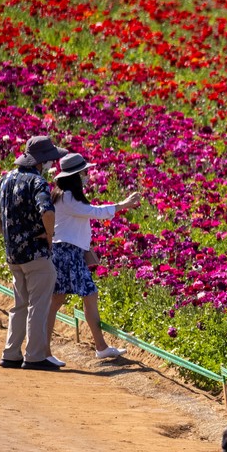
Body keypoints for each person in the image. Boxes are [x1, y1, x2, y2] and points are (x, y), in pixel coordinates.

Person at [0, 135, 66, 370]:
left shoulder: (7, 179)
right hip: (36, 253)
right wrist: (49, 237)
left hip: (14, 254)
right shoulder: (37, 183)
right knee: (38, 304)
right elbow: (47, 212)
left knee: (19, 304)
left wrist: (1, 228)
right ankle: (35, 356)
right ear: (42, 162)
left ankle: (11, 353)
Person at [45, 152, 142, 362]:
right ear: (75, 176)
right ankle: (44, 350)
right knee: (66, 298)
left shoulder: (63, 195)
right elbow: (94, 212)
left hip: (69, 252)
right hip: (66, 253)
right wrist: (123, 204)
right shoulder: (67, 197)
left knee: (71, 297)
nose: (88, 176)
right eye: (84, 172)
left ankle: (99, 346)